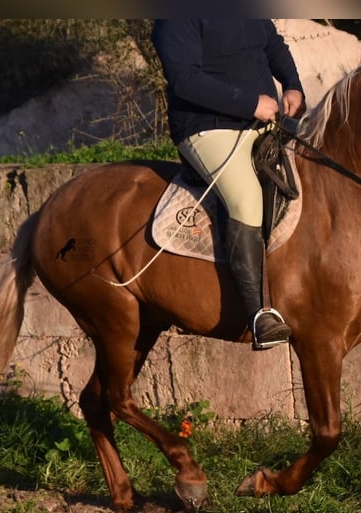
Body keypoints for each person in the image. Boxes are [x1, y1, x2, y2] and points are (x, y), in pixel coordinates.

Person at [151, 19, 305, 350]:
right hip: (208, 128)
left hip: (263, 122)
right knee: (246, 200)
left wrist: (292, 84)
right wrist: (250, 103)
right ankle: (259, 315)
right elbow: (186, 81)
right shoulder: (173, 17)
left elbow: (273, 45)